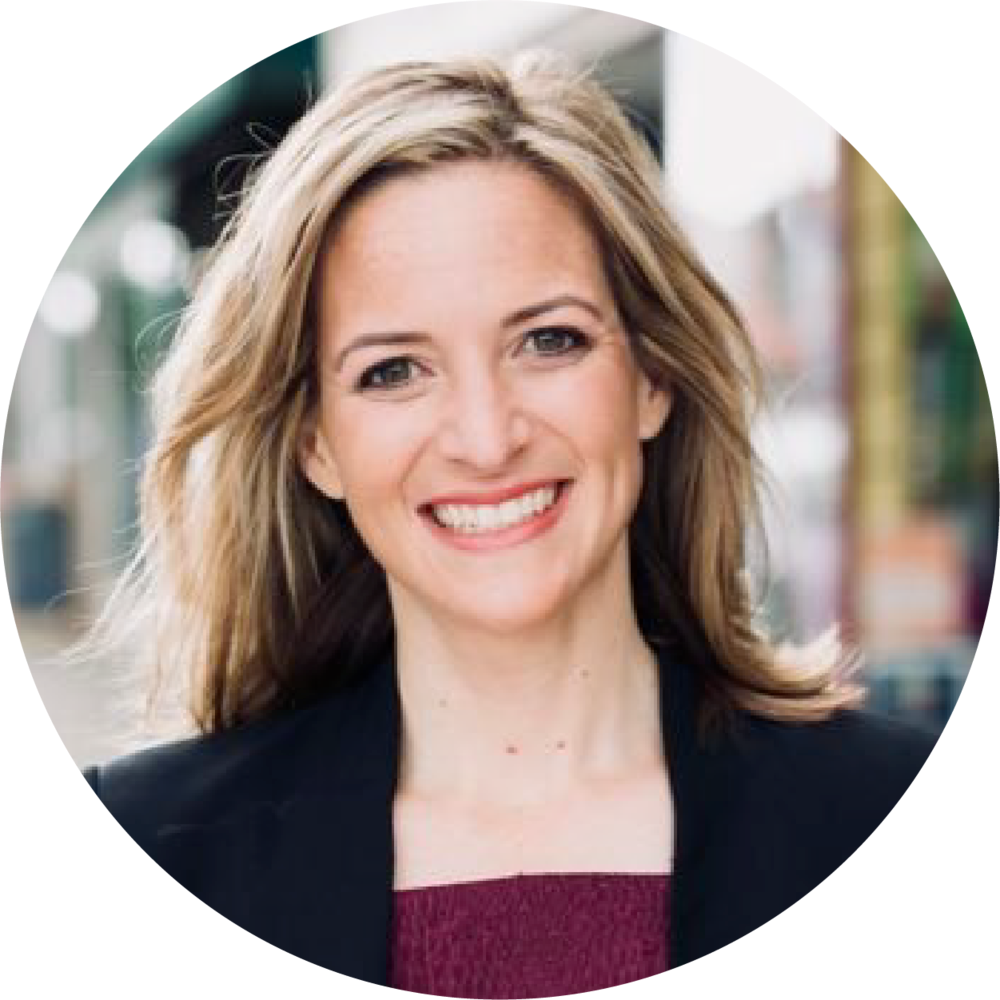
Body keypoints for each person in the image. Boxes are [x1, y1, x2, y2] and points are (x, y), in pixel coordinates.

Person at [81, 51, 937, 990]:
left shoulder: (876, 805)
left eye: (548, 340)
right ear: (315, 442)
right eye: (393, 371)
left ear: (651, 378)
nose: (487, 440)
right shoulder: (160, 843)